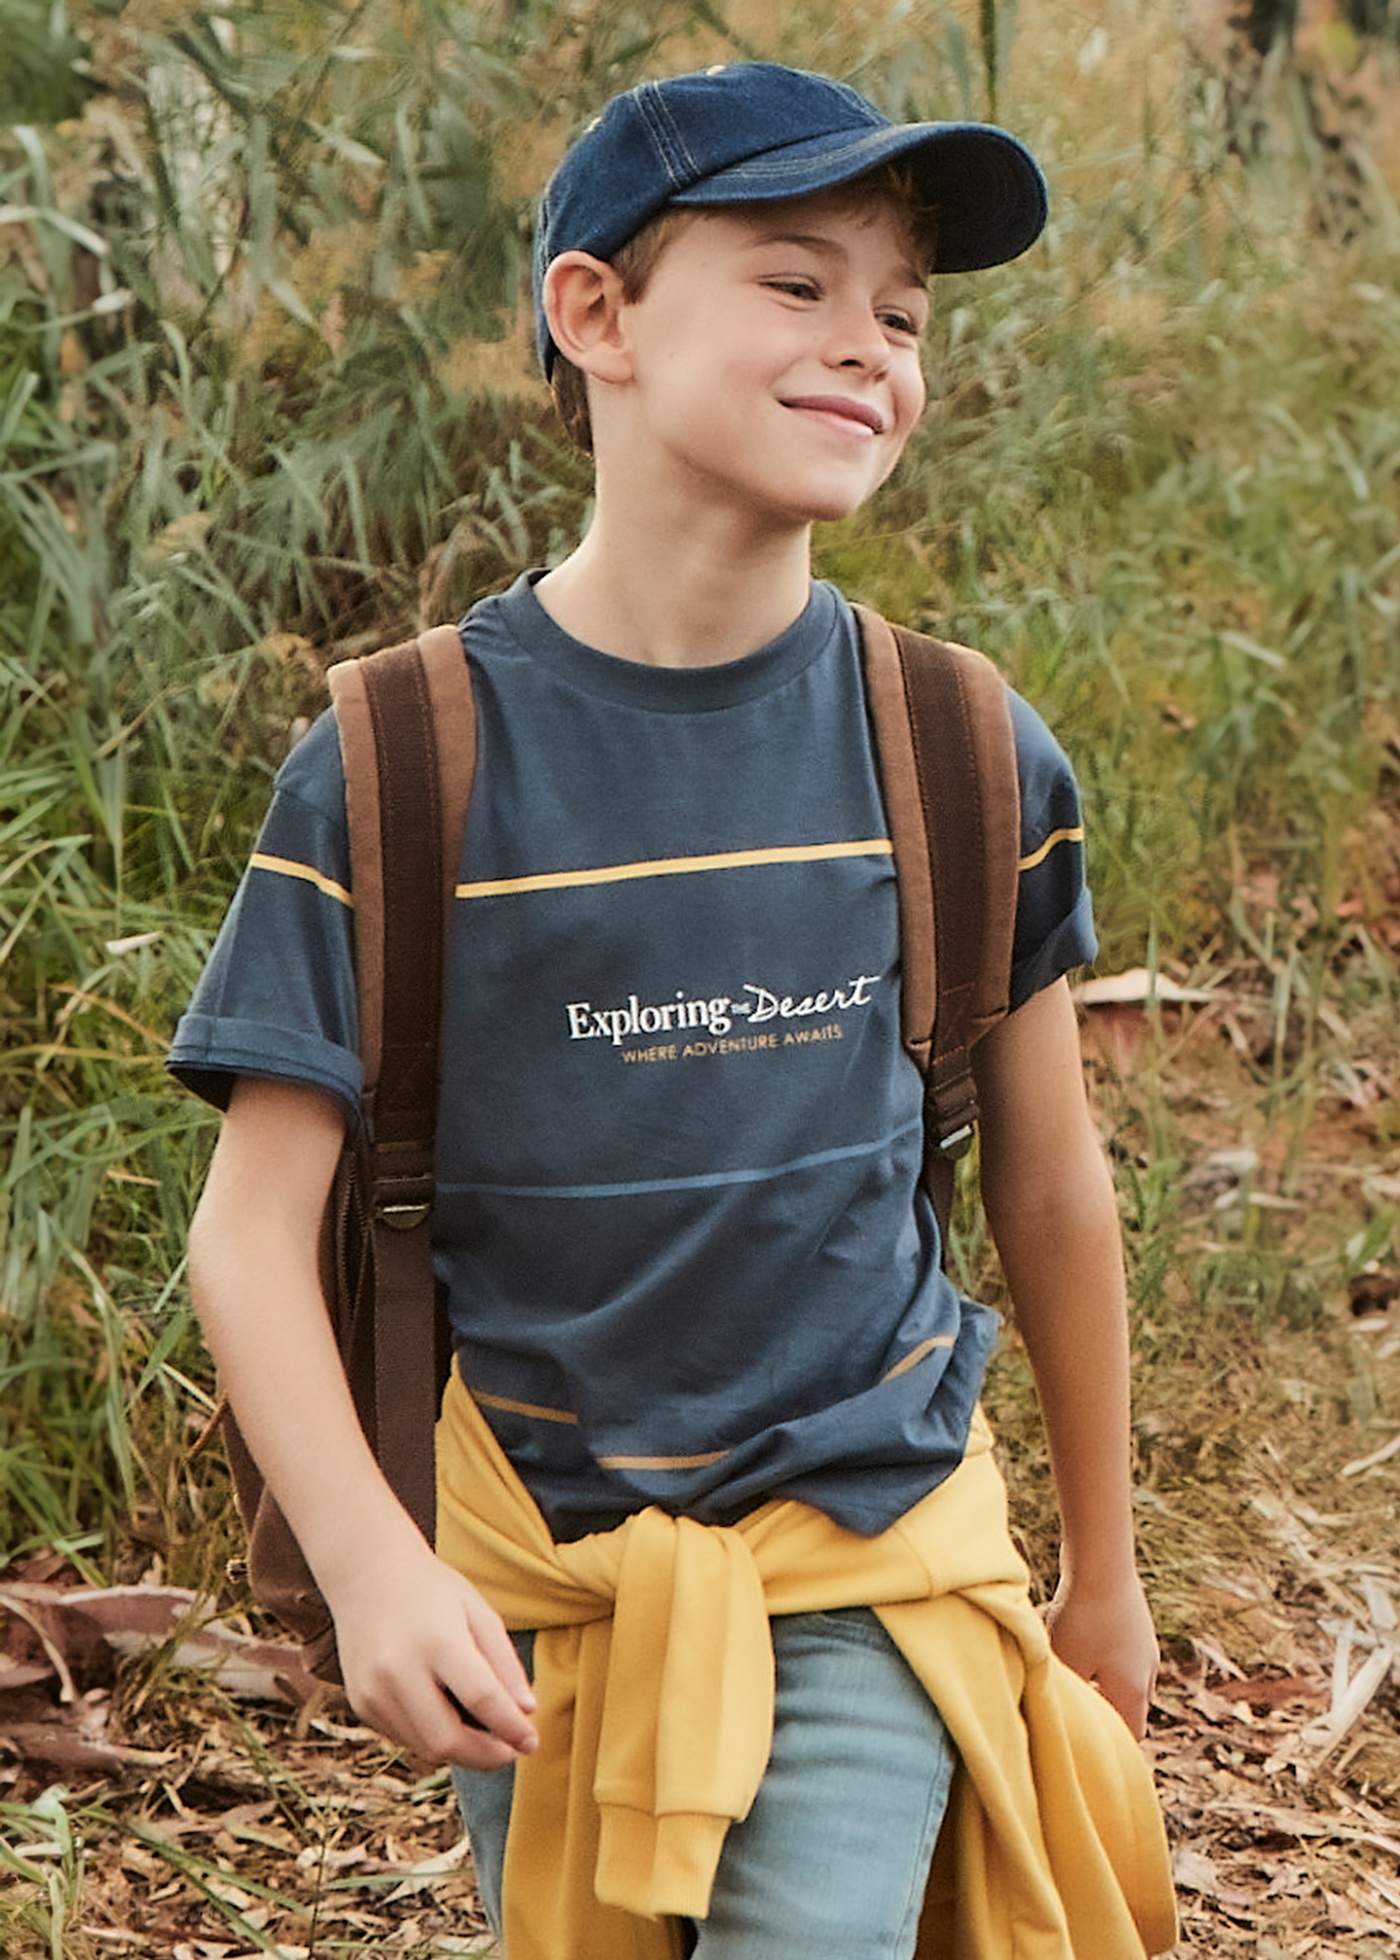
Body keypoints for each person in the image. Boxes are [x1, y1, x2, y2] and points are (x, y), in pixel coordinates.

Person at [170, 60, 1169, 1959]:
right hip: (540, 1580)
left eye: (901, 311)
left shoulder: (958, 743)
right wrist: (376, 1571)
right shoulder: (400, 765)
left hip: (874, 1543)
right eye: (796, 284)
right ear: (595, 315)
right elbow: (248, 1232)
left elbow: (1051, 1184)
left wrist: (1104, 1570)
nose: (863, 343)